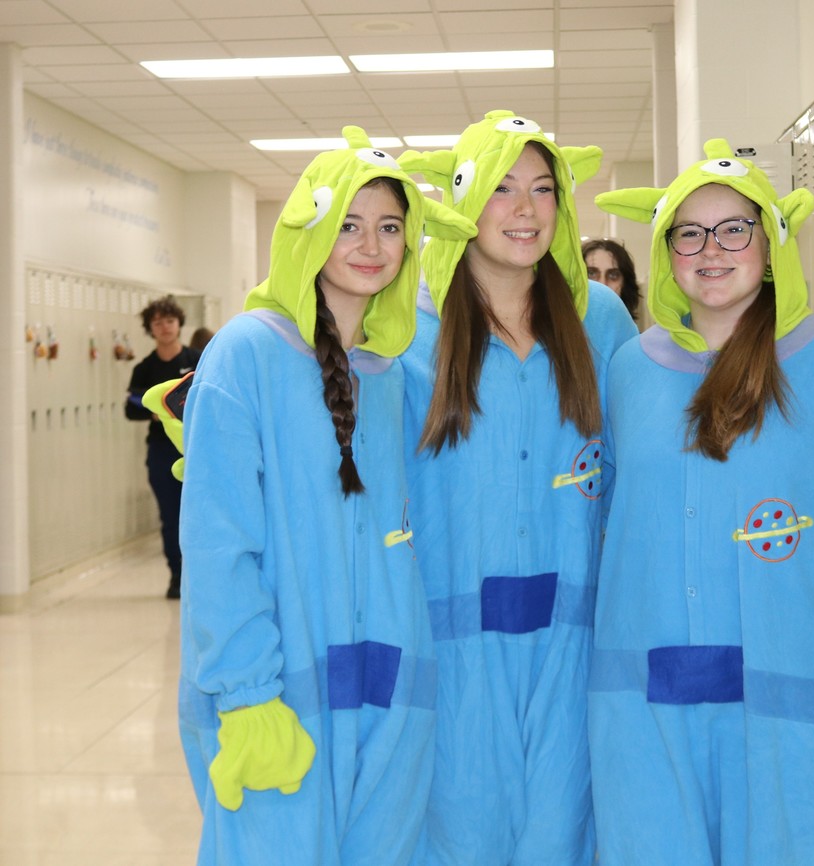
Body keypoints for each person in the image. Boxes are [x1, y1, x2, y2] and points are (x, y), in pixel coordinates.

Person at [586, 140, 814, 866]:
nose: (710, 250)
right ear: (665, 251)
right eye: (688, 232)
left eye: (733, 229)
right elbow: (604, 530)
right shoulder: (630, 369)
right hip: (648, 715)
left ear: (771, 241)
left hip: (792, 708)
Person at [175, 127, 477, 866]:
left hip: (388, 698)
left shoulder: (390, 375)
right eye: (349, 223)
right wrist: (247, 694)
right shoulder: (244, 355)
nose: (371, 245)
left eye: (390, 227)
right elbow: (218, 546)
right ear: (309, 228)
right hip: (278, 701)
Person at [397, 111, 638, 866]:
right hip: (453, 634)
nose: (525, 210)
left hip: (576, 634)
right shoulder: (407, 327)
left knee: (561, 833)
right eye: (502, 188)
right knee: (459, 832)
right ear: (463, 201)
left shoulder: (599, 321)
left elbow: (643, 462)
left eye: (542, 189)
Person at [124, 295, 201, 598]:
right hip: (161, 450)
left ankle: (200, 576)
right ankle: (177, 576)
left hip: (196, 450)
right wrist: (156, 412)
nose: (165, 327)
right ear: (150, 329)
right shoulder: (144, 368)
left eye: (169, 321)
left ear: (179, 324)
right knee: (170, 517)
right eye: (158, 323)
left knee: (199, 515)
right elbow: (130, 409)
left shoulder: (196, 359)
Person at [581, 237, 641, 321]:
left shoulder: (637, 334)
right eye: (591, 273)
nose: (603, 284)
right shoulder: (560, 332)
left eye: (613, 275)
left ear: (625, 284)